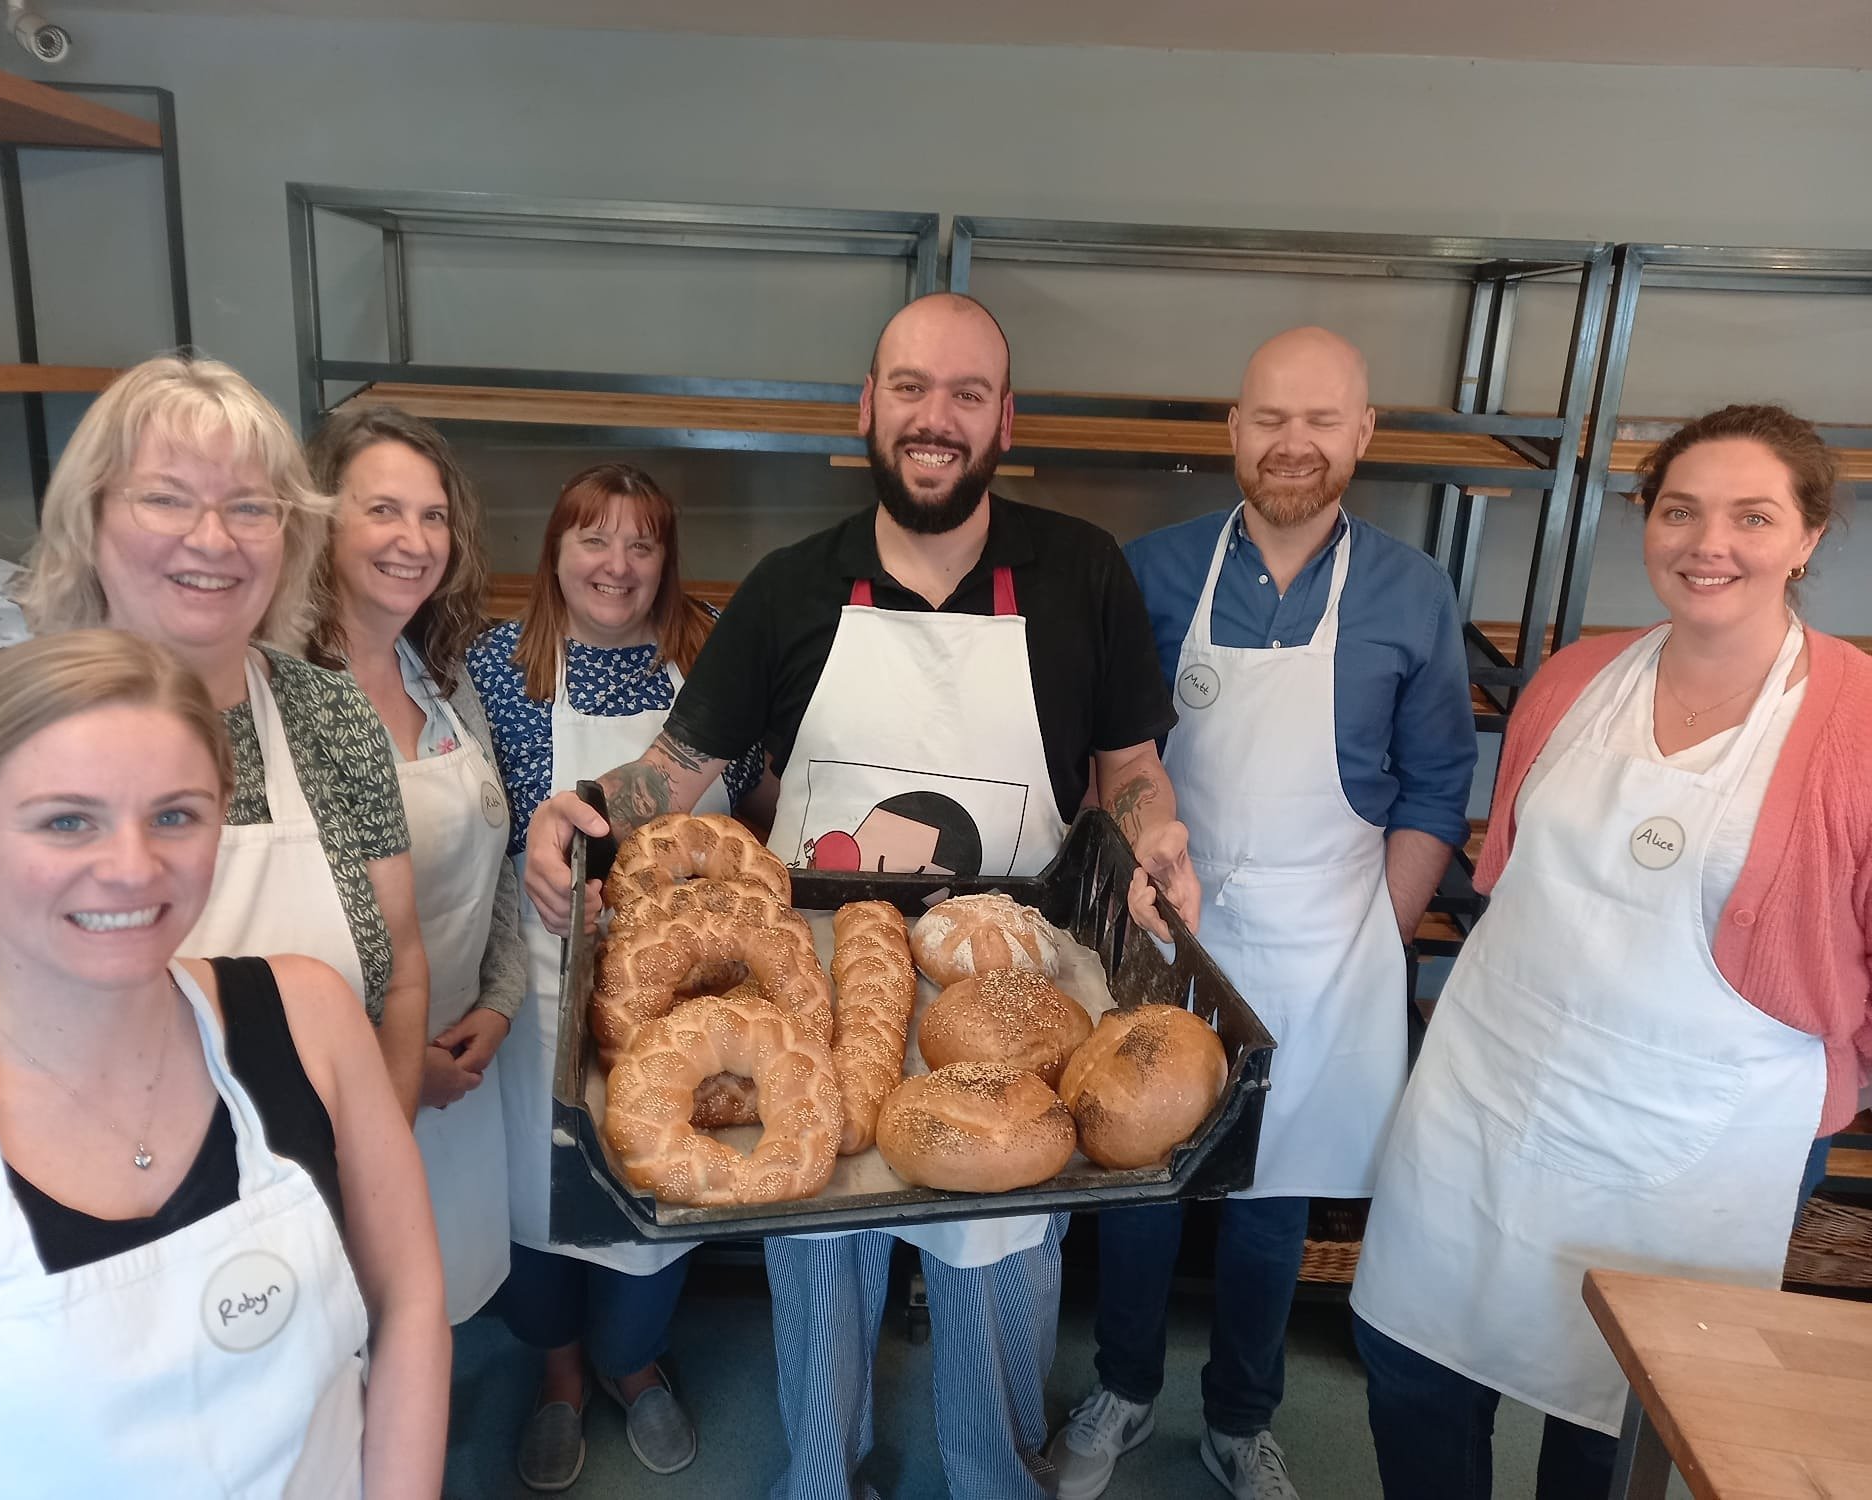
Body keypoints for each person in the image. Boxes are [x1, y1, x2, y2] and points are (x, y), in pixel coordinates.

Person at [523, 293, 1203, 1500]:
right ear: (865, 409)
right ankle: (822, 1480)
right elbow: (672, 775)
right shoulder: (791, 588)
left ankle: (992, 1478)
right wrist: (576, 810)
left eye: (964, 393)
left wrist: (1157, 842)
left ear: (1005, 419)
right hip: (816, 994)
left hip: (1013, 1004)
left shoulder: (1078, 573)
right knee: (817, 1248)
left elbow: (1129, 774)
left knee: (998, 1262)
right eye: (908, 389)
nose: (932, 418)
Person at [1349, 404, 1872, 1499]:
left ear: (1809, 534)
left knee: (1610, 1417)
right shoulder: (1572, 681)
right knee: (1411, 1364)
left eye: (1750, 516)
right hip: (1488, 1098)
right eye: (1678, 510)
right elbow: (1511, 887)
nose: (1706, 544)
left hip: (1694, 1139)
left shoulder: (1854, 725)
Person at [1047, 327, 1476, 1500]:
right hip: (1167, 918)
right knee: (1140, 1171)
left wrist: (1375, 935)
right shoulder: (1151, 570)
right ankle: (1123, 1390)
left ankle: (1240, 1419)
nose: (1294, 444)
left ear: (1362, 434)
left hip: (1327, 938)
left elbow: (1436, 785)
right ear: (1233, 431)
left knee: (1271, 1200)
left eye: (1320, 421)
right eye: (1269, 419)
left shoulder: (1409, 591)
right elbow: (1109, 753)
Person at [0, 629, 449, 1498]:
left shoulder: (308, 1016)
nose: (131, 869)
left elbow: (408, 1311)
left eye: (175, 815)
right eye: (68, 820)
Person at [0, 355, 431, 1117]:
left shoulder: (328, 713)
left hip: (316, 1203)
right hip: (58, 1225)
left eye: (249, 507)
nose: (212, 539)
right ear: (88, 518)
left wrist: (370, 1178)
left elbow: (399, 978)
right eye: (166, 499)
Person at [468, 462, 766, 1491]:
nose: (617, 565)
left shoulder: (713, 649)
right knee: (540, 1200)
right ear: (554, 551)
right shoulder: (499, 667)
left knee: (659, 1193)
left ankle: (631, 1362)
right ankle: (559, 1374)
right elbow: (479, 834)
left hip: (685, 999)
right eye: (594, 540)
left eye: (641, 544)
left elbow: (762, 805)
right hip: (534, 979)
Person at [306, 406, 527, 1325]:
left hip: (460, 1056)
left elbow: (496, 850)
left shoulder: (439, 673)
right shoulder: (285, 692)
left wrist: (500, 999)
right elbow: (291, 928)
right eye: (383, 512)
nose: (414, 540)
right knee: (349, 1327)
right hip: (344, 1085)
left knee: (436, 1309)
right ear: (320, 523)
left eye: (433, 516)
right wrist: (400, 1068)